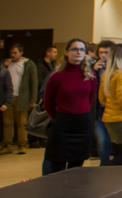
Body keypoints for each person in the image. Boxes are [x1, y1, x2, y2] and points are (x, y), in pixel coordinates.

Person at [42, 39, 98, 174]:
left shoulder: (90, 75)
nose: (79, 52)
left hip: (83, 124)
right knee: (57, 165)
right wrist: (60, 117)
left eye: (82, 49)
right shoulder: (57, 76)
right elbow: (48, 103)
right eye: (75, 49)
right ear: (67, 52)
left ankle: (73, 188)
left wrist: (82, 111)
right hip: (63, 124)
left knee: (76, 167)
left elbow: (90, 99)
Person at [2, 43, 40, 155]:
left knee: (22, 122)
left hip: (22, 97)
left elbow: (34, 82)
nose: (13, 55)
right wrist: (3, 66)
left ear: (21, 53)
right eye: (11, 53)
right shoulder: (6, 63)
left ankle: (22, 144)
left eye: (15, 53)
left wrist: (33, 99)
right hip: (8, 97)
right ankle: (7, 145)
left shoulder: (29, 64)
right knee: (7, 122)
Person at [91, 40, 115, 165]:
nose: (103, 55)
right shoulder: (93, 67)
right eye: (101, 53)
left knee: (113, 139)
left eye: (106, 52)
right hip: (98, 108)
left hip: (113, 108)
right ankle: (104, 164)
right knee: (101, 139)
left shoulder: (117, 68)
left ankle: (114, 163)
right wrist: (94, 71)